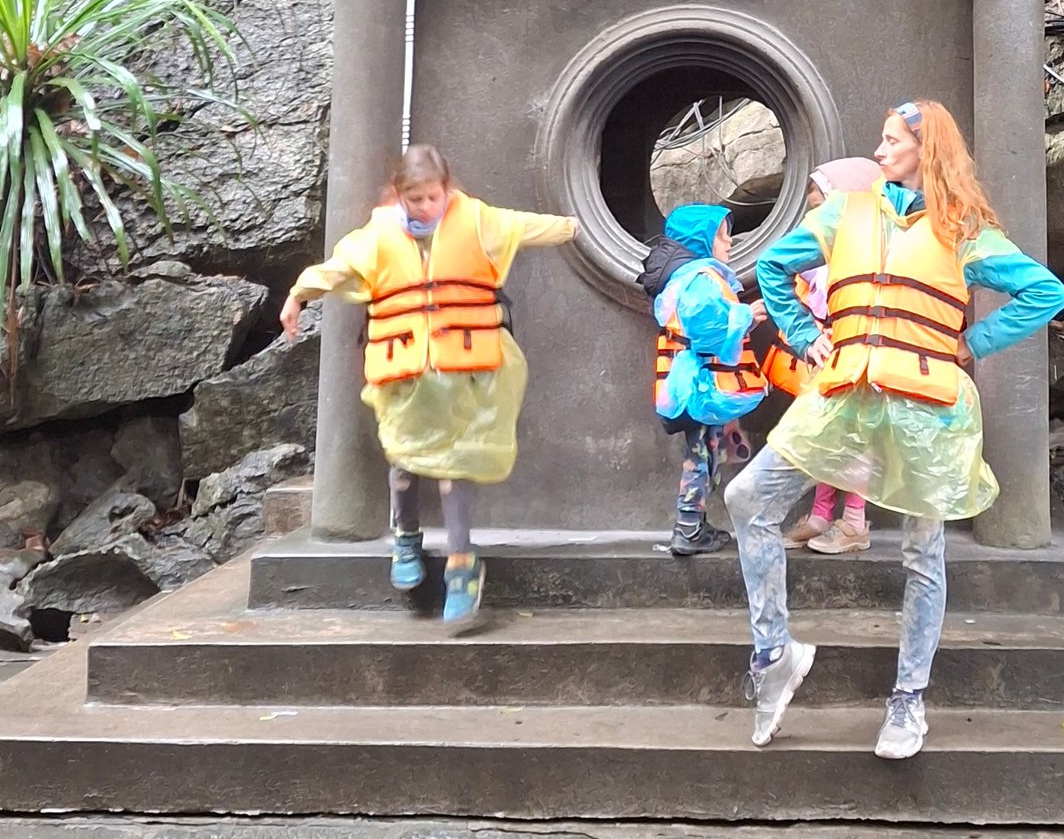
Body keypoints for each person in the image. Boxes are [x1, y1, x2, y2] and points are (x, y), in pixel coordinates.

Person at [727, 98, 1064, 759]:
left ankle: (909, 699)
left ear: (925, 148)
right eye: (880, 139)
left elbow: (1044, 291)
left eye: (892, 140)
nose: (880, 151)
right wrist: (803, 333)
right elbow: (771, 266)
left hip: (926, 409)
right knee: (747, 498)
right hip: (843, 395)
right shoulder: (844, 212)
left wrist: (973, 342)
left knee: (922, 550)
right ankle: (774, 653)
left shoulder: (964, 227)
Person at [280, 143, 577, 627]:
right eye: (415, 199)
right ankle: (405, 537)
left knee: (453, 466)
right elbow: (339, 267)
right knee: (403, 460)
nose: (425, 207)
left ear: (446, 190)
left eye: (433, 197)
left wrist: (574, 226)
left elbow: (526, 227)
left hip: (461, 371)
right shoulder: (378, 234)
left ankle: (461, 562)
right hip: (406, 373)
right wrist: (299, 294)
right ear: (400, 194)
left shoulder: (476, 220)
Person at [768, 158, 880, 556]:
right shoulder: (823, 248)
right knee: (828, 436)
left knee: (856, 436)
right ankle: (820, 515)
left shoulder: (870, 246)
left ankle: (854, 521)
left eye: (823, 205)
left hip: (859, 354)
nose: (817, 216)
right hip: (830, 354)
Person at [644, 202, 768, 557]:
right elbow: (708, 332)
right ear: (701, 240)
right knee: (699, 454)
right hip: (699, 386)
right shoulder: (701, 279)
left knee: (706, 450)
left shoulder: (688, 277)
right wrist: (747, 315)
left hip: (690, 385)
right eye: (722, 236)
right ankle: (688, 527)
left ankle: (694, 523)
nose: (729, 243)